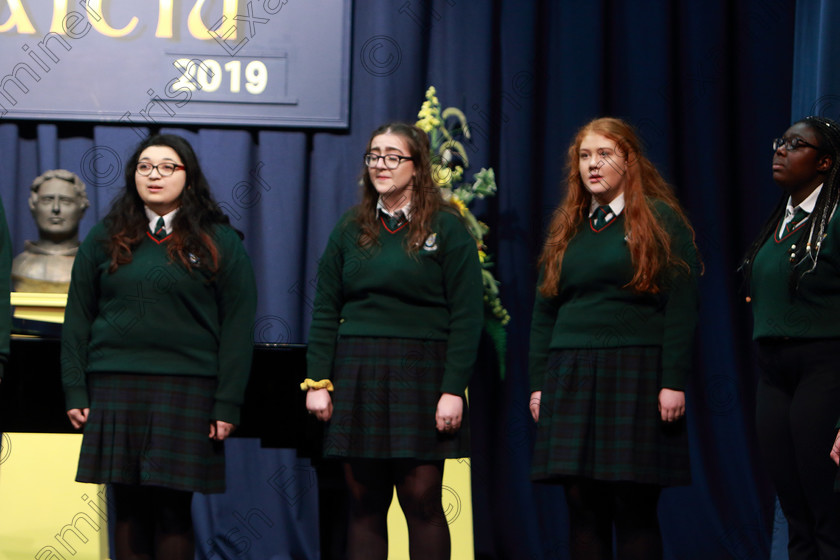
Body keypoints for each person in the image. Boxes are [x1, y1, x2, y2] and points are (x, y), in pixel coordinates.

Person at [61, 134, 257, 560]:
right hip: (115, 387)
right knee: (127, 510)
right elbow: (77, 319)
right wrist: (76, 389)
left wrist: (227, 403)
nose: (154, 175)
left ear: (188, 177)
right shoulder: (105, 237)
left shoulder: (219, 240)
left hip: (188, 390)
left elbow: (239, 327)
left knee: (173, 510)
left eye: (168, 166)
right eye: (145, 166)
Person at [304, 122, 484, 560]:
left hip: (421, 374)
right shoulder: (351, 227)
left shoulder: (447, 228)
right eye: (373, 156)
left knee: (421, 501)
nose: (380, 165)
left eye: (392, 156)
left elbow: (467, 315)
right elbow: (326, 308)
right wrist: (317, 381)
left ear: (417, 167)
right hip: (358, 373)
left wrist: (452, 389)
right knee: (365, 503)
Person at [529, 117, 700, 560]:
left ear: (629, 159)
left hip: (635, 372)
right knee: (581, 503)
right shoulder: (568, 225)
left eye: (604, 154)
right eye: (584, 156)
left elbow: (682, 305)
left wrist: (672, 380)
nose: (593, 165)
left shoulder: (660, 219)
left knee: (633, 503)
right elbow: (545, 309)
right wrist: (538, 384)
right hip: (570, 375)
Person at [741, 115, 840, 560]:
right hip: (774, 374)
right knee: (795, 510)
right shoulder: (779, 224)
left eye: (795, 144)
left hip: (824, 368)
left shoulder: (836, 218)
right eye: (779, 141)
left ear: (824, 163)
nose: (780, 150)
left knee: (828, 511)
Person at [12, 169, 89, 293]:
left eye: (65, 201)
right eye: (47, 200)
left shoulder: (91, 268)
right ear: (33, 206)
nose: (56, 208)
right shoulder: (17, 266)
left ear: (82, 208)